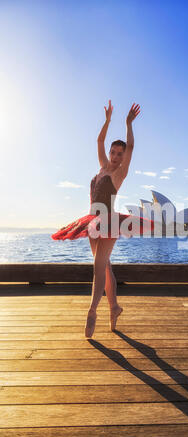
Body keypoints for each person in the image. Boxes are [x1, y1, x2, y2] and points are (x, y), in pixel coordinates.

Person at [51, 100, 154, 337]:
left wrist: (128, 124)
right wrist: (107, 121)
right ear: (109, 152)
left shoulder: (120, 173)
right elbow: (98, 141)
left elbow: (132, 147)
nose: (117, 156)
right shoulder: (102, 168)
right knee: (105, 267)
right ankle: (115, 307)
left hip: (108, 222)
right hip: (91, 221)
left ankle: (92, 311)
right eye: (114, 152)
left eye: (120, 153)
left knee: (98, 266)